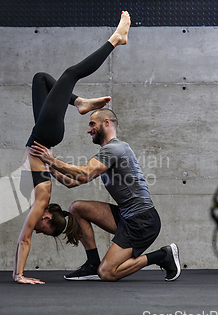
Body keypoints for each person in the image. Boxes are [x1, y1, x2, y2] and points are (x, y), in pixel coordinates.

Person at [13, 11, 131, 284]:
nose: (37, 229)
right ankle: (116, 39)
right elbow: (24, 238)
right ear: (46, 216)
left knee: (41, 79)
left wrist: (48, 162)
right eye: (44, 228)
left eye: (40, 230)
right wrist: (18, 274)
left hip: (42, 137)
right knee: (70, 73)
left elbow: (59, 182)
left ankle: (79, 102)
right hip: (45, 135)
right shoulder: (40, 201)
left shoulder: (39, 197)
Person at [30, 109, 181, 282]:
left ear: (107, 122)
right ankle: (93, 264)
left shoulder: (116, 148)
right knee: (77, 208)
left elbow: (84, 174)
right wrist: (48, 167)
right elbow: (72, 182)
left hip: (142, 221)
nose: (88, 130)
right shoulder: (109, 151)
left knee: (107, 273)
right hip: (126, 216)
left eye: (92, 124)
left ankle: (163, 255)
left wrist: (51, 160)